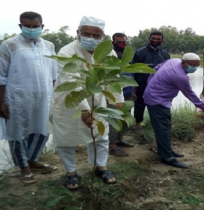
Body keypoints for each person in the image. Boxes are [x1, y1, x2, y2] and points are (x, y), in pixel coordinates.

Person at [53, 16, 123, 190]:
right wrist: (84, 110)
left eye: (96, 35)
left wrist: (118, 100)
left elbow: (114, 77)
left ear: (102, 36)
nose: (91, 38)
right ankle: (70, 172)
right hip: (68, 101)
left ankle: (100, 167)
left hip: (97, 99)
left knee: (101, 135)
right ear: (78, 33)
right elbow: (73, 83)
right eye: (86, 34)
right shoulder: (67, 52)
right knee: (66, 138)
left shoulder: (108, 52)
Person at [0, 11, 58, 184]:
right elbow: (1, 76)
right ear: (20, 26)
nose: (31, 29)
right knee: (18, 132)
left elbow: (54, 74)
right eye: (27, 26)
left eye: (35, 26)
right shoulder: (9, 45)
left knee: (43, 130)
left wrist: (55, 98)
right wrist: (1, 102)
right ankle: (24, 167)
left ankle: (33, 160)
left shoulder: (49, 46)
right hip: (18, 98)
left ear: (42, 26)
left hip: (44, 96)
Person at [144, 53, 204, 168]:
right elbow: (189, 94)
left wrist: (150, 84)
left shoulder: (174, 61)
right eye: (193, 66)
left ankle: (167, 150)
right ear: (184, 63)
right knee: (162, 129)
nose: (195, 68)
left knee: (166, 126)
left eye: (198, 66)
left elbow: (155, 70)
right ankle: (167, 157)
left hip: (159, 98)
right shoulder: (180, 76)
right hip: (157, 101)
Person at [132, 31, 170, 132]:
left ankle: (156, 125)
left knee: (158, 105)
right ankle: (137, 124)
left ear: (162, 40)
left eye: (158, 39)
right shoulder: (140, 52)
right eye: (153, 38)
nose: (155, 41)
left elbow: (168, 71)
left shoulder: (165, 55)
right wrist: (133, 86)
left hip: (159, 86)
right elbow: (132, 70)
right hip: (142, 84)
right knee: (140, 104)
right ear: (149, 38)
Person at [108, 32, 134, 157]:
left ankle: (120, 139)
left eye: (124, 42)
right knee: (113, 119)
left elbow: (131, 73)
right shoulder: (109, 55)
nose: (122, 44)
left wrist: (134, 89)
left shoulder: (128, 55)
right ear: (113, 42)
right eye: (119, 42)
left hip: (127, 91)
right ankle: (111, 144)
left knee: (125, 118)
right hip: (113, 93)